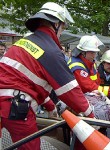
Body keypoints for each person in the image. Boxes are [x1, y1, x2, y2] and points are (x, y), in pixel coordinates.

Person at [0, 2, 94, 150]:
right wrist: (91, 115)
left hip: (7, 104)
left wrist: (50, 105)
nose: (62, 32)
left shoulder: (23, 42)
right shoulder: (50, 50)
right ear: (56, 24)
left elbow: (29, 82)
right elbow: (69, 90)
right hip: (16, 107)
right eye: (63, 27)